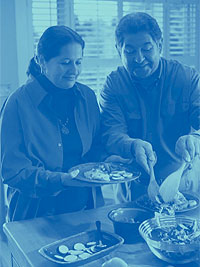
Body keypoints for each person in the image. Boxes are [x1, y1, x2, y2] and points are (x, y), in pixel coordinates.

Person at [0, 25, 104, 221]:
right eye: (65, 63)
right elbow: (13, 172)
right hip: (34, 216)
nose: (74, 70)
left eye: (78, 62)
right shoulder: (16, 103)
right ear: (41, 61)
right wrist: (61, 181)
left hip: (85, 209)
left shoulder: (88, 97)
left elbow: (96, 148)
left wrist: (111, 160)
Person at [100, 12, 200, 201]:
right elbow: (111, 134)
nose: (139, 58)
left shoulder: (186, 77)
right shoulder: (113, 85)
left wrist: (196, 138)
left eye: (146, 49)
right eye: (129, 51)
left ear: (159, 45)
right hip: (133, 186)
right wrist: (132, 145)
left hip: (183, 181)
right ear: (118, 50)